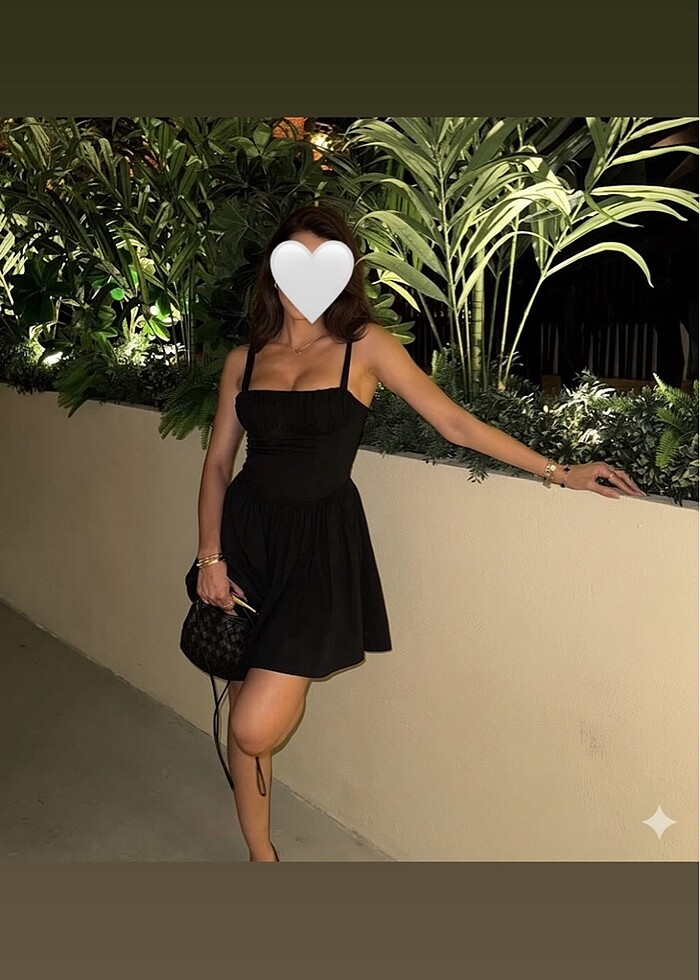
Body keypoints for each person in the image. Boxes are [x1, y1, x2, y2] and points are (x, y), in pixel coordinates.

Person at [193, 203, 646, 862]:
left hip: (320, 550)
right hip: (244, 541)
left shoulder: (366, 347)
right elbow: (216, 464)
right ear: (272, 270)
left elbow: (454, 423)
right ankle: (263, 857)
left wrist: (560, 471)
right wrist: (210, 556)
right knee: (241, 687)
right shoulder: (245, 359)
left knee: (252, 727)